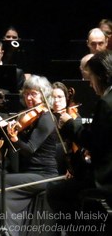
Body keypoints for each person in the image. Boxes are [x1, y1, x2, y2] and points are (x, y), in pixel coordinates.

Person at [0, 75, 59, 236]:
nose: (29, 98)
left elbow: (30, 149)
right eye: (26, 94)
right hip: (27, 173)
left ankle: (1, 232)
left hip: (43, 175)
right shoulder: (25, 116)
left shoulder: (47, 118)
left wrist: (15, 139)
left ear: (44, 94)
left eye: (33, 93)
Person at [48, 50, 112, 233]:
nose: (90, 85)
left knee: (56, 193)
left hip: (106, 179)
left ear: (101, 75)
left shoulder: (106, 102)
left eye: (91, 77)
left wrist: (70, 124)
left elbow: (94, 143)